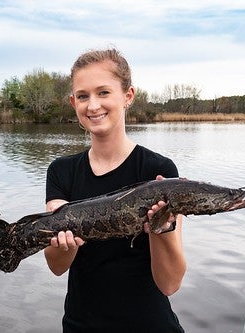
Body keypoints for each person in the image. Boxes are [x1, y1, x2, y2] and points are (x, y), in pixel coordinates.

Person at [43, 48, 186, 332]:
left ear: (128, 96)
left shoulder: (159, 171)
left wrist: (161, 229)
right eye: (83, 96)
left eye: (103, 92)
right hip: (81, 325)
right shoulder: (61, 171)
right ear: (73, 102)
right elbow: (57, 266)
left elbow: (169, 284)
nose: (93, 105)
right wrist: (65, 245)